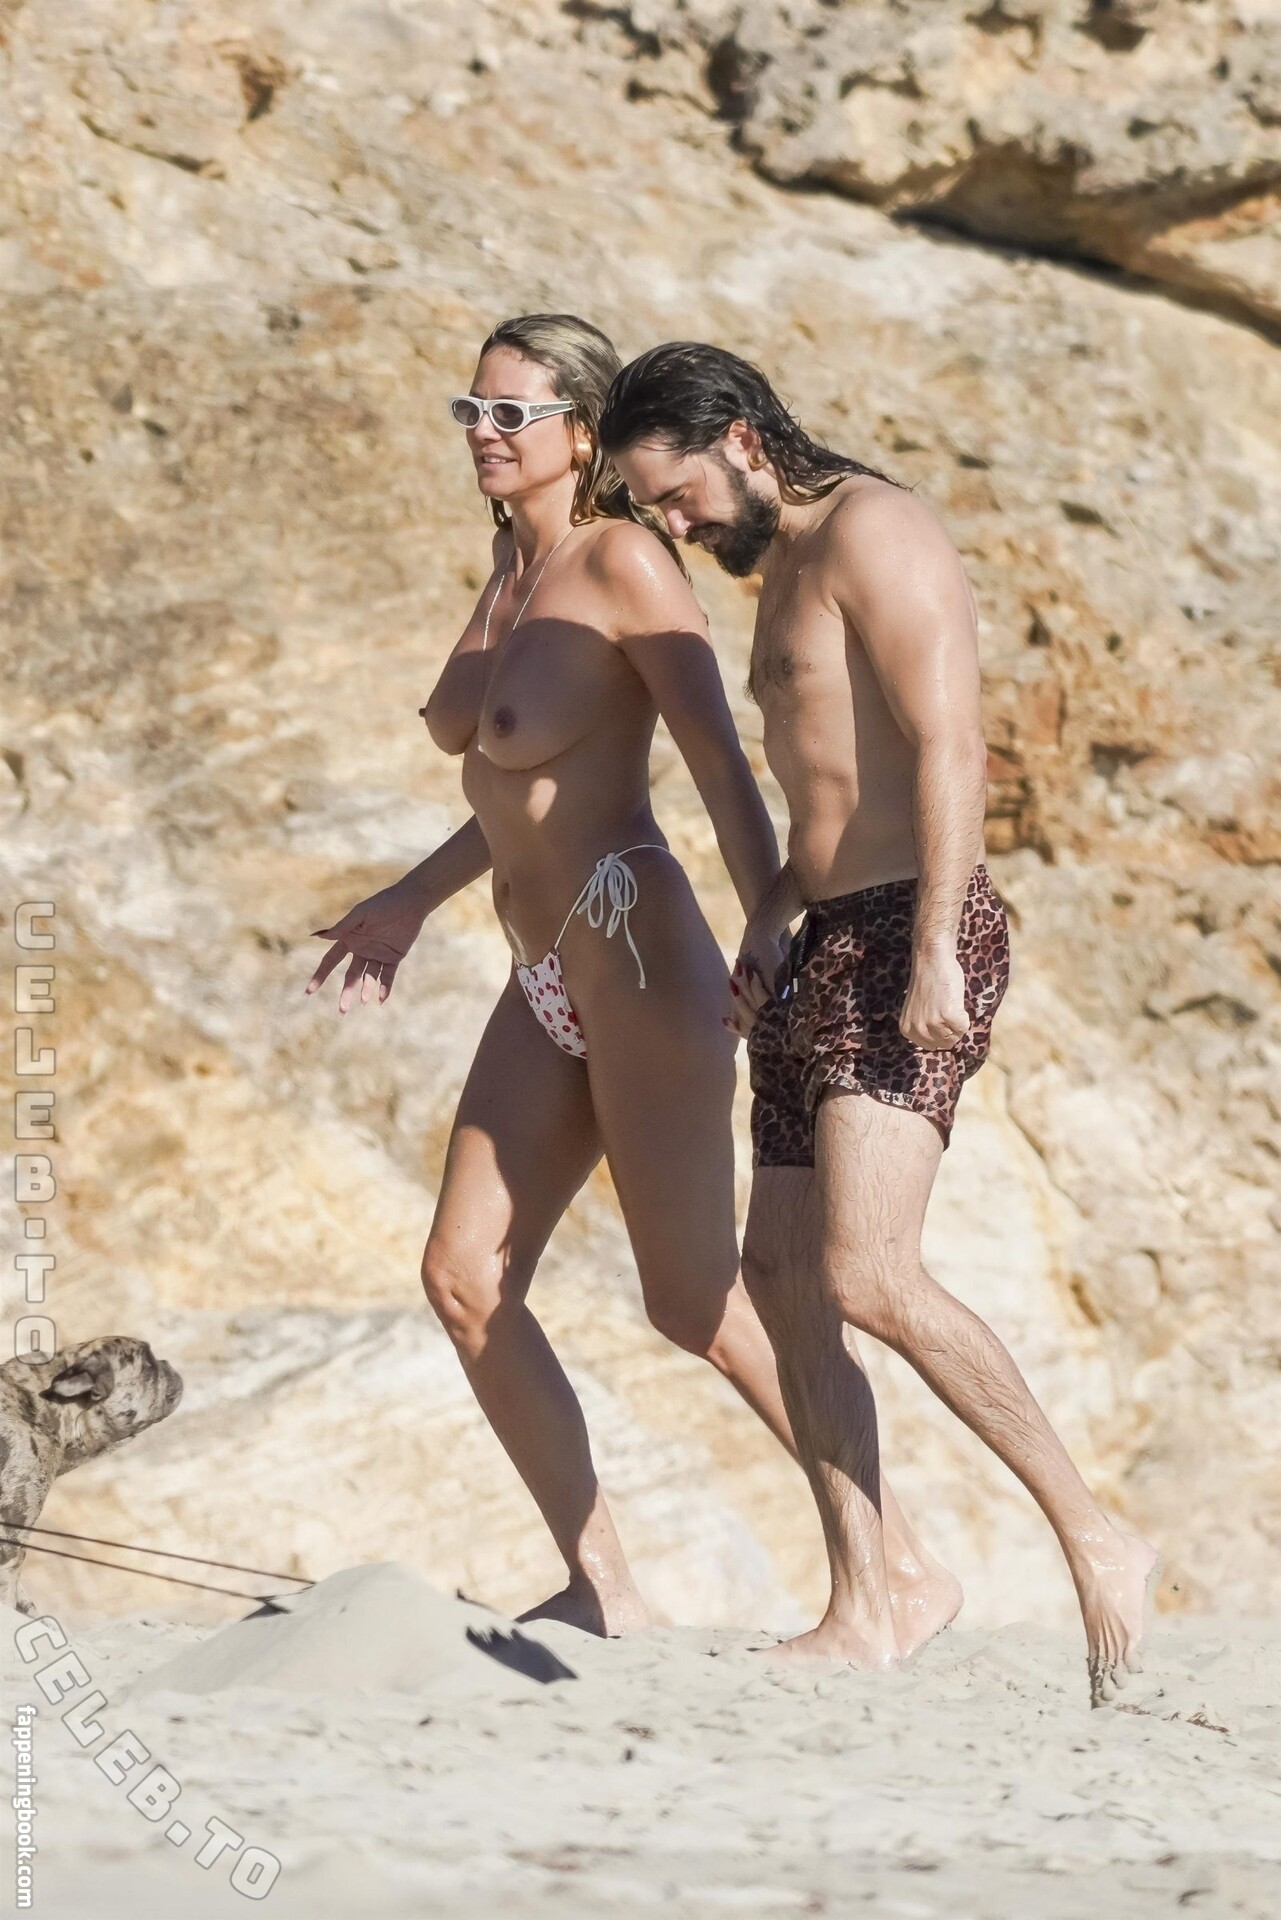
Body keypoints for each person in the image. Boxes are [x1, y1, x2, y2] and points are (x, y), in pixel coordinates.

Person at [304, 313, 956, 1645]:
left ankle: (899, 1560)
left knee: (696, 1301)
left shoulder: (625, 562)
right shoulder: (509, 564)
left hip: (639, 948)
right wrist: (410, 900)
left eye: (511, 414)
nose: (484, 434)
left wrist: (774, 933)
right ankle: (604, 1583)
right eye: (470, 411)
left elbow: (721, 768)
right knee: (463, 1277)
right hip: (540, 960)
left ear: (581, 431)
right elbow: (511, 788)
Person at [600, 342, 1159, 1701]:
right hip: (823, 935)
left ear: (738, 440)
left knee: (867, 1273)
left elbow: (952, 745)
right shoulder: (783, 571)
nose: (673, 524)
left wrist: (935, 950)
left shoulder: (875, 529)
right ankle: (868, 1599)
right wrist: (768, 918)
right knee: (784, 1278)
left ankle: (1096, 1533)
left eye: (674, 493)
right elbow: (826, 796)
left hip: (917, 924)